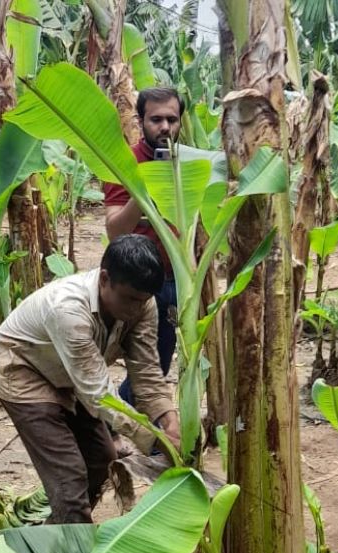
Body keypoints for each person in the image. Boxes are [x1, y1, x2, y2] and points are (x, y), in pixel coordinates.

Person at [0, 234, 182, 523]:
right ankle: (75, 549)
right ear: (104, 279)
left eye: (142, 301)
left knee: (101, 461)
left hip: (73, 376)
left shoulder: (143, 304)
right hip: (24, 371)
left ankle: (60, 528)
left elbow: (145, 371)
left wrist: (169, 419)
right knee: (69, 477)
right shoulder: (68, 310)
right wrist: (152, 438)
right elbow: (97, 392)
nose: (134, 309)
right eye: (129, 299)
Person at [103, 86, 184, 406]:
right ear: (140, 120)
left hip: (175, 278)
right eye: (156, 119)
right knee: (137, 363)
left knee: (159, 364)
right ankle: (116, 426)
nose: (165, 127)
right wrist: (143, 189)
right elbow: (115, 230)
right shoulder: (126, 164)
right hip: (135, 283)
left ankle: (135, 427)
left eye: (172, 120)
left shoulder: (188, 162)